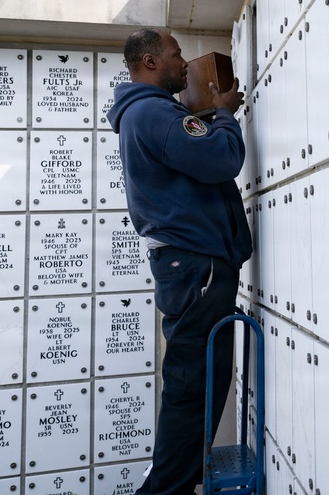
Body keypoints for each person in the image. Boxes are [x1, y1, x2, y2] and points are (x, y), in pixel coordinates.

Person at [107, 28, 252, 495]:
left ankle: (170, 483)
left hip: (189, 267)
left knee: (195, 380)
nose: (184, 62)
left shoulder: (147, 114)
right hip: (196, 267)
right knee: (194, 385)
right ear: (149, 62)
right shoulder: (153, 112)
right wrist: (226, 116)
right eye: (175, 54)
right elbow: (221, 158)